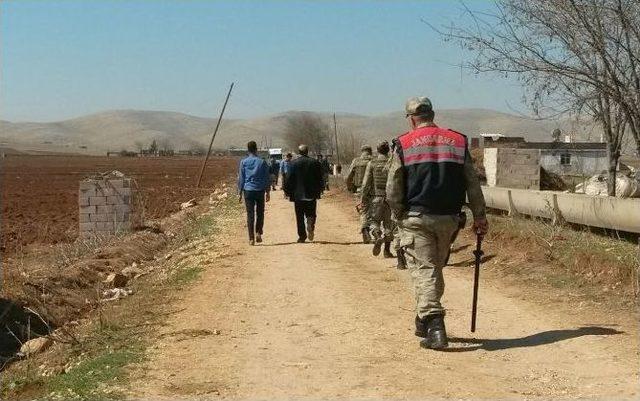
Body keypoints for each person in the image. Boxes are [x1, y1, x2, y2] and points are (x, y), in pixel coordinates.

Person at [387, 96, 488, 350]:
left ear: (411, 119)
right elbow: (472, 183)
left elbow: (394, 185)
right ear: (433, 114)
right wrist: (480, 216)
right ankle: (423, 319)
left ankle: (435, 326)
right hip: (449, 220)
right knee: (434, 270)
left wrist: (398, 214)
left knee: (425, 270)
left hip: (417, 218)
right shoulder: (457, 140)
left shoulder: (403, 143)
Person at [361, 141, 395, 259]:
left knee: (373, 221)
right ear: (388, 150)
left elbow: (365, 184)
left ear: (377, 150)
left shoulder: (372, 163)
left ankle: (376, 235)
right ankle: (387, 251)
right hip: (390, 198)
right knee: (388, 224)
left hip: (376, 197)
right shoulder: (392, 163)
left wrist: (363, 198)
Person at [284, 144, 324, 243]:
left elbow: (288, 179)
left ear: (299, 152)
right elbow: (320, 178)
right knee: (311, 213)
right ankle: (310, 223)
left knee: (299, 216)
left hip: (298, 195)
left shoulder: (293, 163)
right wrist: (320, 190)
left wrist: (287, 191)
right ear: (307, 151)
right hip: (311, 194)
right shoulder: (315, 163)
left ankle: (302, 236)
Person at [238, 141, 271, 245]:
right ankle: (258, 233)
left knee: (250, 214)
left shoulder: (243, 162)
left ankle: (251, 238)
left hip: (248, 191)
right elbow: (266, 178)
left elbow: (241, 178)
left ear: (248, 150)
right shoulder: (262, 162)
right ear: (256, 149)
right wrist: (268, 191)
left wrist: (239, 192)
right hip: (259, 190)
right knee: (260, 213)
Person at [345, 145, 373, 243]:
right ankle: (374, 231)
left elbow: (348, 176)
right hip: (374, 191)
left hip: (359, 190)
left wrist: (350, 187)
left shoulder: (356, 161)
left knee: (363, 211)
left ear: (362, 151)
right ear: (370, 151)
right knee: (373, 212)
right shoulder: (374, 160)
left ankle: (365, 230)